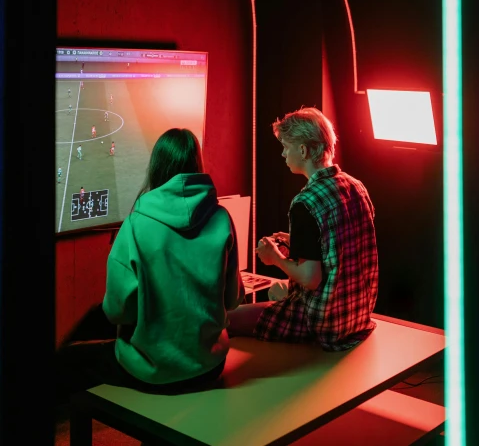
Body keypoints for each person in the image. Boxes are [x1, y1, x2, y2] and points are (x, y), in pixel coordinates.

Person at [56, 128, 244, 404]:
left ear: (157, 165)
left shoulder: (135, 224)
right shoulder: (222, 218)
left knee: (67, 358)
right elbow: (232, 300)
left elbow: (118, 311)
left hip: (154, 372)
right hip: (209, 366)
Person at [228, 107, 378, 352]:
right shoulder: (356, 187)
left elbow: (310, 279)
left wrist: (274, 258)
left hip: (322, 323)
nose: (283, 154)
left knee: (226, 320)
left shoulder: (305, 202)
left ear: (303, 150)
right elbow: (337, 244)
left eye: (286, 147)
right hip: (357, 318)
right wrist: (295, 241)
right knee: (278, 291)